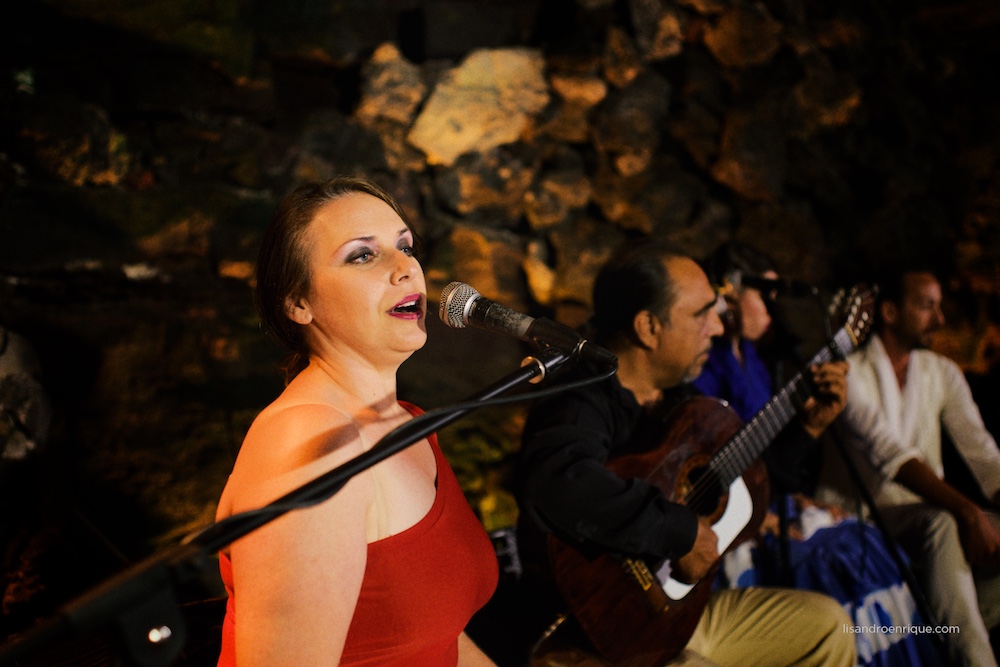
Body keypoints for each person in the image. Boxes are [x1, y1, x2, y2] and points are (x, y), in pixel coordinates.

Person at [516, 239, 856, 666]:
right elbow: (560, 481)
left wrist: (808, 428)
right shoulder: (580, 396)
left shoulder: (682, 399)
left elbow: (747, 486)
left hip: (674, 615)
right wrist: (678, 531)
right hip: (596, 633)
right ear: (648, 327)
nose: (716, 327)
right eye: (702, 314)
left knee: (831, 625)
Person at [214, 176, 499, 666]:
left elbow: (440, 639)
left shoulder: (408, 424)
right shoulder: (307, 444)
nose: (406, 268)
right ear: (297, 303)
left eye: (406, 246)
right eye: (363, 255)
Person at [696, 242, 933, 666]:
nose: (773, 307)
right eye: (763, 295)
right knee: (829, 564)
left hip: (767, 496)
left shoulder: (756, 359)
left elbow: (767, 458)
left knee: (868, 545)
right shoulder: (703, 365)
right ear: (728, 294)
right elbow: (709, 468)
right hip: (727, 516)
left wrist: (800, 496)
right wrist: (767, 516)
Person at [826, 267, 1000, 666]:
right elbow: (890, 454)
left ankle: (948, 639)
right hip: (863, 516)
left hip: (924, 513)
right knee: (944, 522)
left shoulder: (943, 373)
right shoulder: (851, 372)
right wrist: (968, 511)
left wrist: (984, 503)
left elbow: (984, 455)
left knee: (950, 522)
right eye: (926, 307)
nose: (939, 320)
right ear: (889, 312)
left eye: (939, 308)